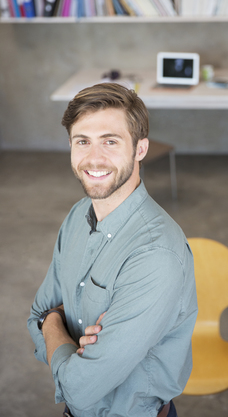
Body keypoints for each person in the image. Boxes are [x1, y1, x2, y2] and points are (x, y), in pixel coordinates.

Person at [27, 83, 198, 417]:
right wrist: (50, 321)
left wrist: (52, 324)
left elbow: (78, 388)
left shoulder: (155, 255)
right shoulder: (78, 215)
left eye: (110, 141)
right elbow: (35, 316)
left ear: (140, 148)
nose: (94, 158)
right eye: (82, 142)